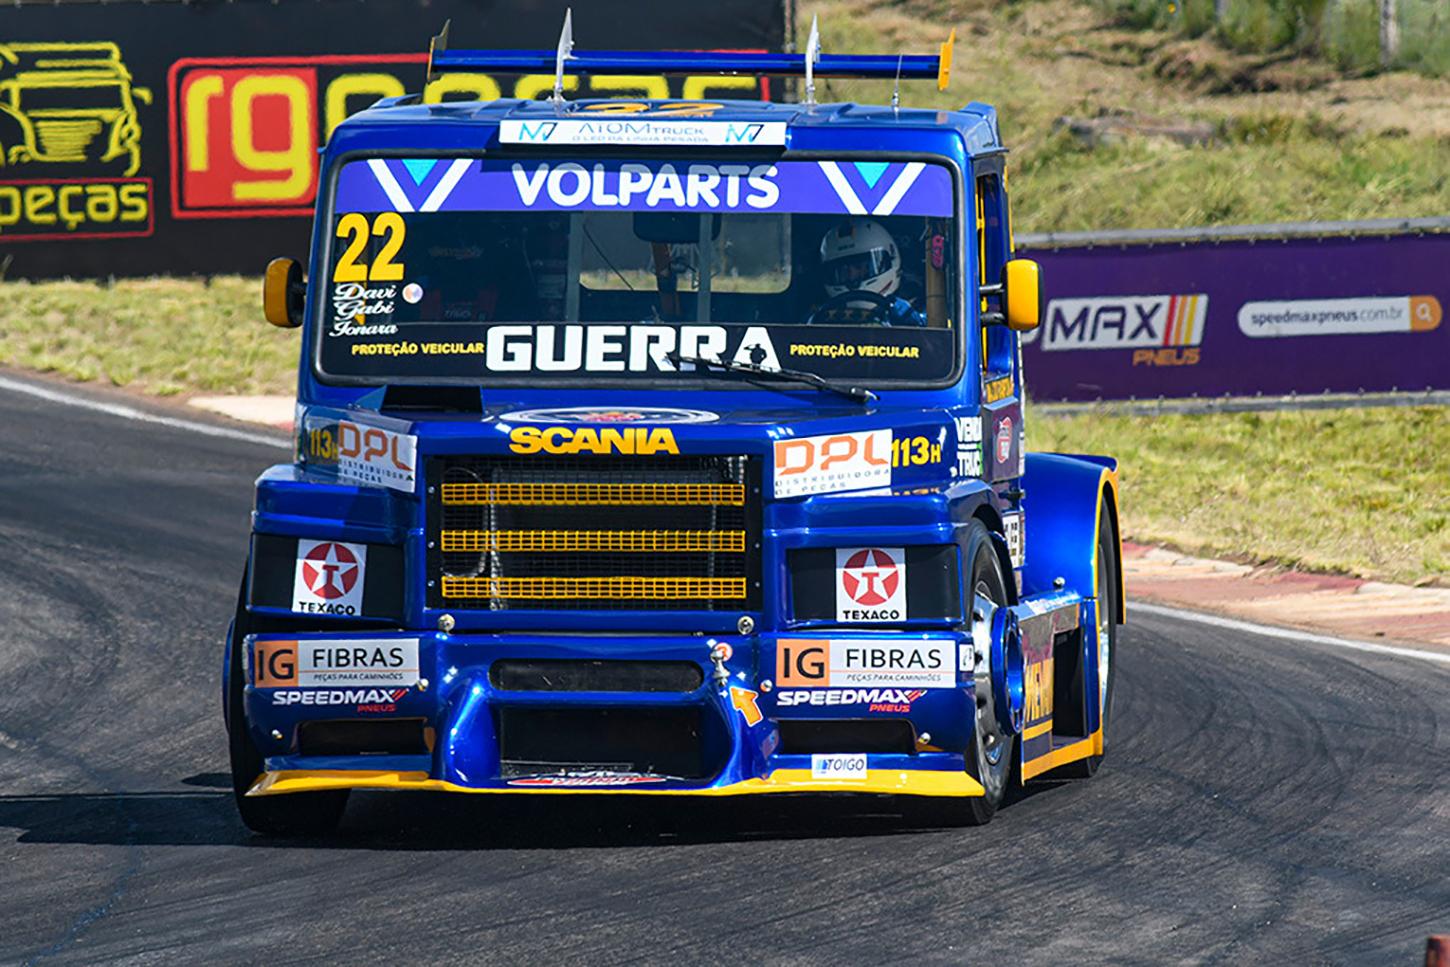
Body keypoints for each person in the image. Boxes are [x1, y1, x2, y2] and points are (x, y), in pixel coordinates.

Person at [817, 219, 925, 326]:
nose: (852, 276)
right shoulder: (819, 317)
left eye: (860, 267)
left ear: (891, 259)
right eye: (843, 271)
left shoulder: (911, 312)